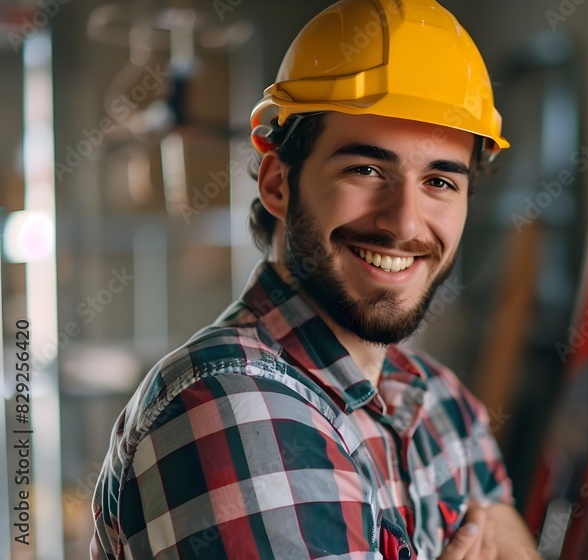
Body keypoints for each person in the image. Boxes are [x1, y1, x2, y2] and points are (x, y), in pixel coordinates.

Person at [90, 0, 538, 558]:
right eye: (366, 169)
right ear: (278, 183)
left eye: (441, 182)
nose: (404, 222)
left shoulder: (445, 407)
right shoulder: (236, 402)